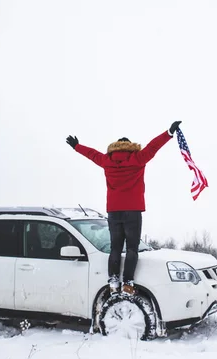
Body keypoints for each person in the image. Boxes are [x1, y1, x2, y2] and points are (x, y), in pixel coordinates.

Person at [66, 121, 182, 295]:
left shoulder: (107, 160)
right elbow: (153, 147)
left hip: (114, 211)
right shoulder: (137, 158)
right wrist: (169, 132)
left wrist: (77, 146)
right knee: (132, 248)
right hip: (133, 211)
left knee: (115, 248)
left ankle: (113, 281)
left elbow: (92, 154)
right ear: (130, 148)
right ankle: (127, 283)